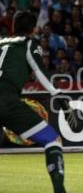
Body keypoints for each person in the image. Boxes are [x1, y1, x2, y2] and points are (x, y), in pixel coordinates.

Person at [0, 11, 77, 193]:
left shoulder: (1, 41)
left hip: (7, 98)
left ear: (13, 26)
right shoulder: (28, 44)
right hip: (6, 99)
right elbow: (40, 72)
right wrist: (61, 99)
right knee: (52, 140)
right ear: (33, 29)